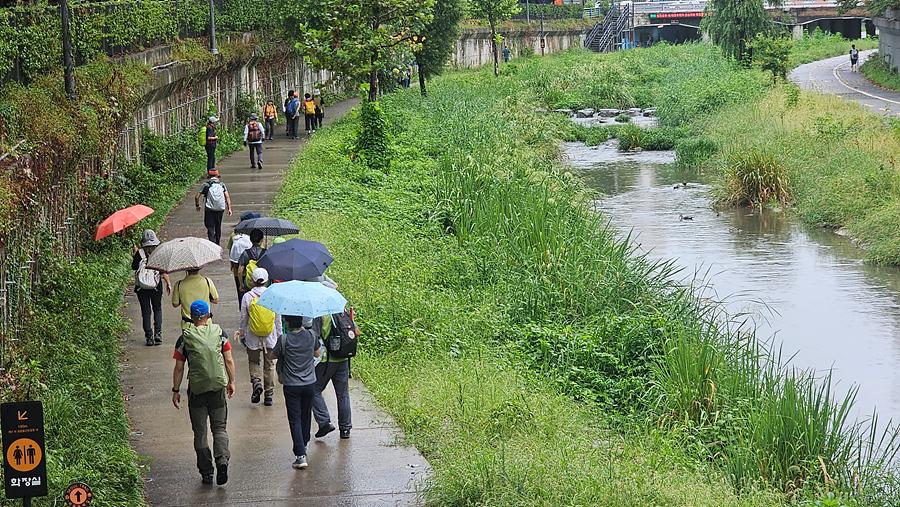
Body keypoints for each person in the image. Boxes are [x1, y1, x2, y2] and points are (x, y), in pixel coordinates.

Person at [172, 300, 236, 486]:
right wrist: (231, 381)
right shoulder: (220, 333)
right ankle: (222, 461)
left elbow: (178, 367)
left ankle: (207, 472)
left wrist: (176, 390)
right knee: (219, 429)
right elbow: (229, 360)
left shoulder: (184, 338)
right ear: (208, 315)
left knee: (200, 433)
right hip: (217, 388)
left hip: (197, 391)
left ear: (192, 317)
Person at [274, 315, 321, 470]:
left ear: (287, 322)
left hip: (291, 385)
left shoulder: (284, 339)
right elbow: (317, 354)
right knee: (306, 415)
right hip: (309, 384)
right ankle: (305, 444)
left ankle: (300, 456)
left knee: (295, 419)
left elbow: (272, 355)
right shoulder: (311, 335)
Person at [238, 267, 281, 406]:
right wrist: (279, 335)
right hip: (270, 336)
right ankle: (269, 396)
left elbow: (244, 318)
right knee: (269, 365)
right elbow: (277, 319)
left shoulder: (247, 297)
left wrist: (242, 332)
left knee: (253, 361)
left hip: (252, 336)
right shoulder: (273, 295)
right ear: (267, 280)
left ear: (252, 280)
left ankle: (256, 382)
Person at [311, 314, 352, 440]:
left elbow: (315, 338)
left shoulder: (320, 315)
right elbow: (355, 332)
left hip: (326, 361)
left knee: (313, 389)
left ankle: (324, 422)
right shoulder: (342, 312)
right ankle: (345, 429)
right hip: (343, 358)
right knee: (343, 394)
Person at [132, 229, 171, 346]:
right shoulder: (158, 252)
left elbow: (134, 267)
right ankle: (158, 334)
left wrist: (135, 255)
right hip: (156, 286)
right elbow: (163, 270)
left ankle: (149, 337)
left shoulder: (139, 253)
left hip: (141, 288)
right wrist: (168, 283)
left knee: (146, 311)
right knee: (157, 309)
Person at [195, 170, 233, 245]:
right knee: (218, 226)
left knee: (210, 226)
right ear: (217, 176)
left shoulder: (206, 185)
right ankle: (217, 244)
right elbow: (227, 197)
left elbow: (196, 197)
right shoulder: (222, 184)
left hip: (209, 209)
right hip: (220, 209)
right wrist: (229, 208)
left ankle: (212, 243)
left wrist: (197, 205)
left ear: (209, 176)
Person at [228, 211, 258, 300]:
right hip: (250, 269)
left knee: (241, 293)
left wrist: (232, 265)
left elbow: (230, 249)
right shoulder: (253, 234)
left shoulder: (234, 234)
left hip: (236, 269)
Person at [237, 228, 266, 301]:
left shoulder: (245, 253)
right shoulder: (265, 253)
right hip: (263, 282)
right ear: (262, 239)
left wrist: (241, 285)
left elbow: (240, 271)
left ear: (250, 240)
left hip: (249, 283)